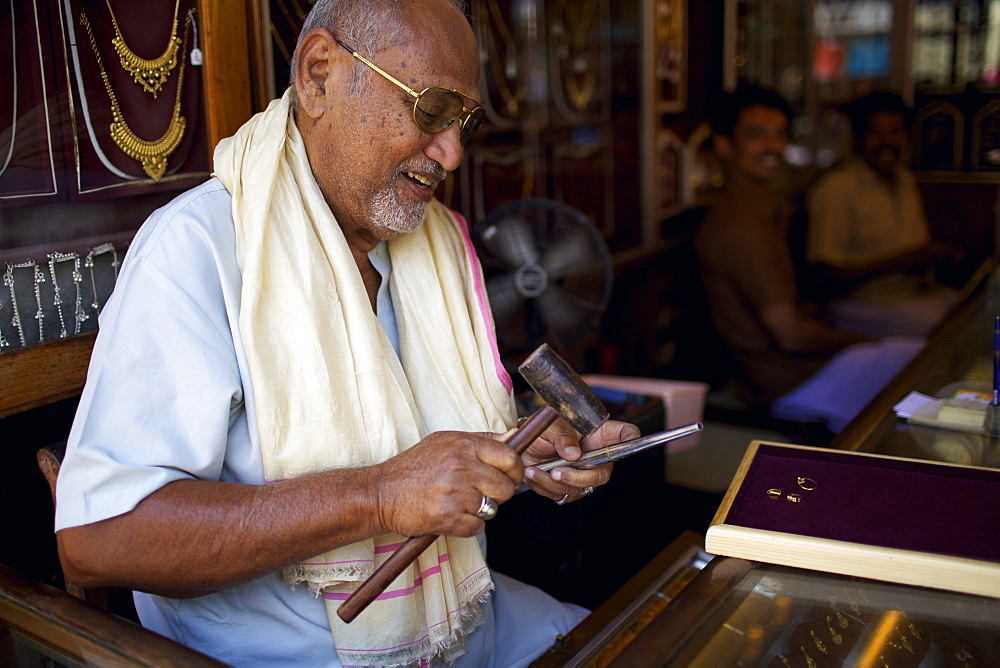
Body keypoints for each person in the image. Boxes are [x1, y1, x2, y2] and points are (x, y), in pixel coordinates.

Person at [52, 1, 637, 666]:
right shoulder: (199, 250)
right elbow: (96, 538)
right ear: (320, 74)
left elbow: (433, 453)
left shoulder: (431, 247)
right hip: (293, 654)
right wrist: (380, 496)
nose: (451, 152)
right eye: (431, 110)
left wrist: (523, 453)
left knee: (649, 639)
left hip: (461, 616)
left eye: (463, 122)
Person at [695, 85, 924, 432]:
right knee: (920, 367)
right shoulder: (738, 226)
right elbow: (792, 336)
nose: (773, 146)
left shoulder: (763, 211)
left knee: (922, 362)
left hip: (804, 369)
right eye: (757, 136)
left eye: (780, 135)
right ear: (725, 146)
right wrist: (861, 339)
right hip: (790, 383)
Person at [806, 90, 961, 337]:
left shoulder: (904, 179)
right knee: (948, 331)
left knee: (978, 313)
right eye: (875, 132)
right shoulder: (837, 188)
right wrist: (909, 259)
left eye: (896, 131)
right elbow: (825, 278)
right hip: (863, 308)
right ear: (858, 138)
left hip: (914, 297)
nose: (886, 141)